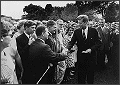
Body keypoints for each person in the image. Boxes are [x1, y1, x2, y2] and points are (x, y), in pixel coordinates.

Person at [67, 15, 101, 84]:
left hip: (91, 58)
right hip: (81, 58)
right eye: (78, 23)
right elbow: (71, 42)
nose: (79, 25)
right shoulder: (76, 32)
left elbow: (99, 43)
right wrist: (67, 49)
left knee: (90, 77)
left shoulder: (93, 31)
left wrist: (91, 49)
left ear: (86, 22)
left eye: (80, 23)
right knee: (81, 78)